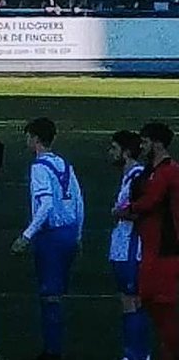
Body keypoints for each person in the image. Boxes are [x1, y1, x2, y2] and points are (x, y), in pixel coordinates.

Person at [11, 117, 85, 360]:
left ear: (35, 138)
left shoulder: (39, 168)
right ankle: (54, 347)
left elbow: (45, 205)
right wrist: (79, 234)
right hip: (69, 231)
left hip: (50, 236)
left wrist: (26, 235)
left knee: (49, 296)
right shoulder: (64, 164)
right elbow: (78, 200)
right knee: (57, 294)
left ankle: (52, 351)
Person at [118, 121, 179, 359]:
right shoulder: (150, 172)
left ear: (157, 143)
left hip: (166, 251)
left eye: (145, 142)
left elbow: (150, 200)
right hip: (152, 249)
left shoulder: (169, 172)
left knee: (162, 307)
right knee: (152, 303)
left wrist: (127, 209)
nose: (141, 146)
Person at [107, 130, 150, 360]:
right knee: (131, 303)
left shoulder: (138, 177)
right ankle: (137, 353)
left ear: (126, 152)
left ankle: (136, 354)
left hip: (132, 251)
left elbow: (145, 211)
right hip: (125, 250)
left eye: (114, 149)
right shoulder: (132, 176)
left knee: (132, 303)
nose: (110, 153)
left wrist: (119, 212)